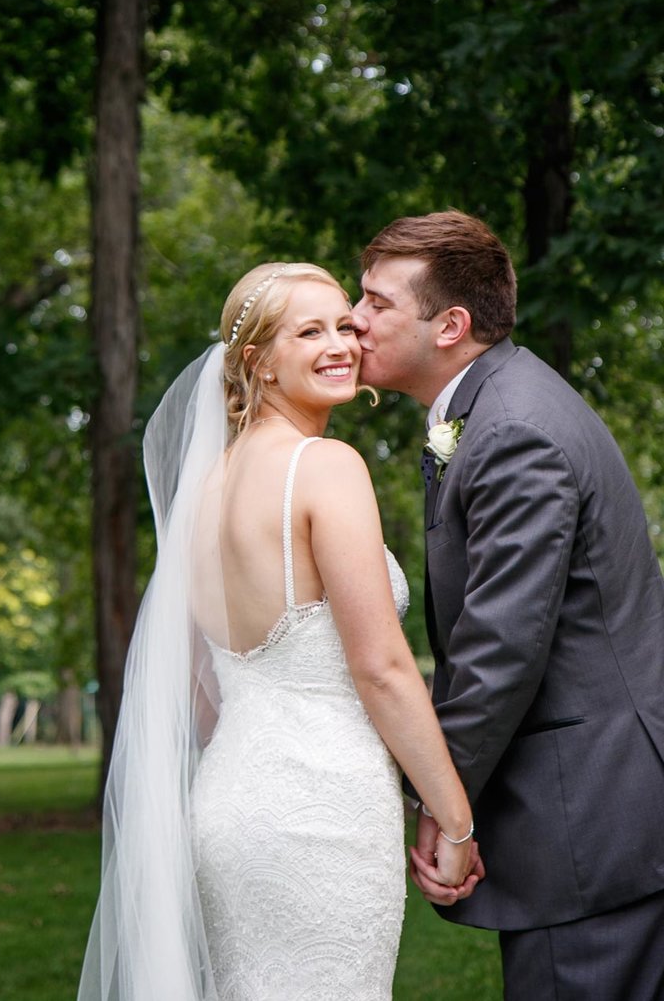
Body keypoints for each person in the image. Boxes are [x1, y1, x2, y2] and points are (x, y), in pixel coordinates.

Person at [78, 261, 479, 1001]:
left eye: (344, 325)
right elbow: (383, 669)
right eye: (309, 331)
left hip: (230, 803)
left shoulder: (203, 491)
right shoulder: (325, 467)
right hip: (322, 813)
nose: (341, 345)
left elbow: (200, 689)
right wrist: (453, 820)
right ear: (256, 362)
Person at [352, 210, 664, 1000]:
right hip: (600, 804)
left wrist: (441, 804)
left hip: (591, 817)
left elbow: (501, 647)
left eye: (377, 303)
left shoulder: (512, 430)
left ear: (451, 325)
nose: (355, 321)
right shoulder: (494, 408)